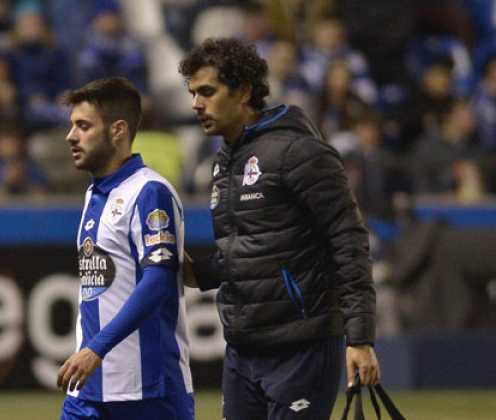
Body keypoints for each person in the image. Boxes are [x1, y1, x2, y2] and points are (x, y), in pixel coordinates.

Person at [177, 37, 381, 419]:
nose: (195, 104)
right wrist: (196, 273)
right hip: (242, 347)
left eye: (207, 91)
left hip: (301, 346)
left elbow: (349, 242)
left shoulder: (299, 153)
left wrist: (361, 338)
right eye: (192, 93)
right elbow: (252, 249)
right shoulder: (223, 162)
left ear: (243, 92)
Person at [55, 77, 193, 419]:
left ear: (118, 130)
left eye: (83, 126)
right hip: (89, 387)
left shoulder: (149, 192)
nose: (71, 136)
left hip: (146, 388)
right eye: (72, 126)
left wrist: (96, 349)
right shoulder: (93, 194)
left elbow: (158, 281)